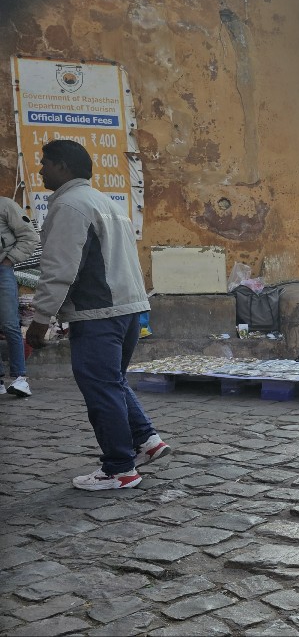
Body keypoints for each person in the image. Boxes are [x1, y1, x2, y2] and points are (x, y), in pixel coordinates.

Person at [26, 139, 171, 490]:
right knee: (112, 382)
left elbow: (59, 268)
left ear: (63, 166)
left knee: (101, 389)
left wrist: (41, 318)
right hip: (128, 308)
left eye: (45, 163)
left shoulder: (69, 205)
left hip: (98, 313)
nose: (41, 170)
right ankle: (146, 439)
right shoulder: (105, 202)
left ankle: (119, 469)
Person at [0, 195, 38, 396]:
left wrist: (9, 260)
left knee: (9, 324)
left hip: (2, 270)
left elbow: (30, 236)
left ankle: (20, 378)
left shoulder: (5, 205)